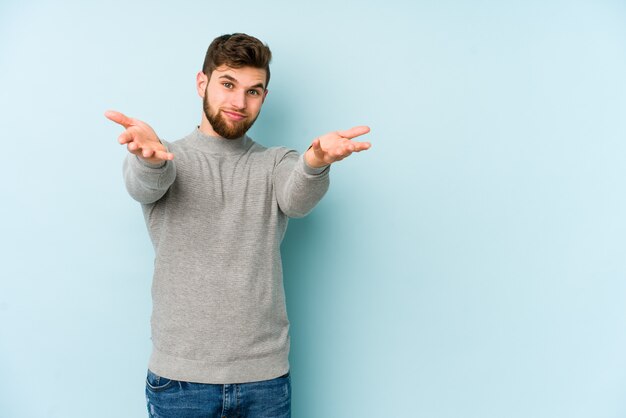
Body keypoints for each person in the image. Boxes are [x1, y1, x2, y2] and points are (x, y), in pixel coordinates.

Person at [105, 33, 371, 418]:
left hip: (265, 379)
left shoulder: (277, 161)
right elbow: (144, 185)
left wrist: (316, 161)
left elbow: (296, 200)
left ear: (264, 97)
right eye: (228, 84)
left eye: (253, 91)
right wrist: (149, 160)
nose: (239, 102)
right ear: (203, 83)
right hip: (181, 382)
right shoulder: (165, 156)